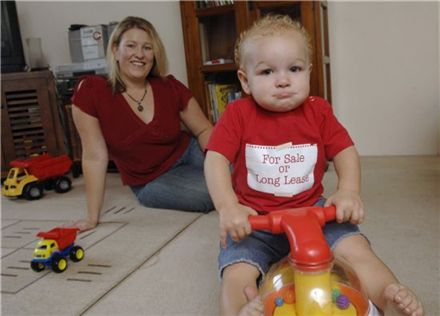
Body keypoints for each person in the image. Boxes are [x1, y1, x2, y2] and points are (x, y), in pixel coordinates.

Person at [204, 15, 423, 316]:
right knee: (237, 271)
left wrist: (348, 190)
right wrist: (229, 207)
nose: (282, 80)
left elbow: (345, 150)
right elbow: (215, 159)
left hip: (315, 215)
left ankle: (388, 297)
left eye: (294, 69)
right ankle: (242, 310)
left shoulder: (318, 111)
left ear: (308, 71)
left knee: (356, 250)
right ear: (245, 80)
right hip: (256, 222)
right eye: (267, 71)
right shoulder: (238, 114)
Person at [70, 16, 214, 232]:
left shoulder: (169, 86)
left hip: (188, 152)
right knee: (211, 193)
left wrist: (219, 164)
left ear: (154, 55)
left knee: (242, 171)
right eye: (131, 46)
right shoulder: (92, 91)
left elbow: (204, 129)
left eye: (147, 48)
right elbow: (94, 157)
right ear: (116, 51)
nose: (139, 54)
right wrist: (92, 217)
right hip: (151, 180)